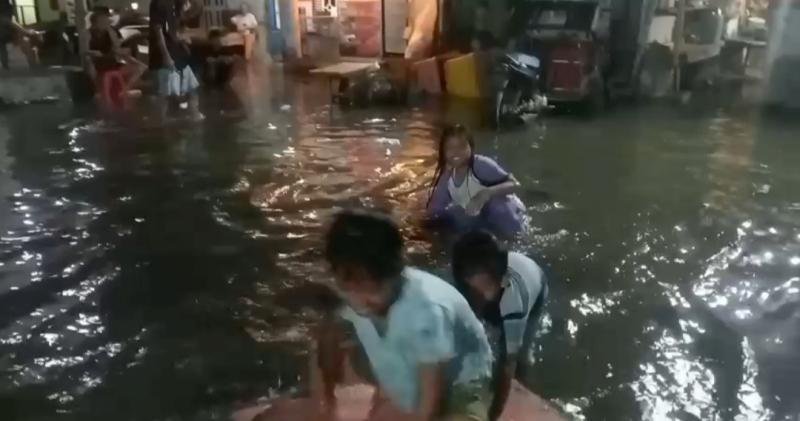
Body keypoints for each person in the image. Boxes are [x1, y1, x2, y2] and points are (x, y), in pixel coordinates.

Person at [312, 209, 495, 421]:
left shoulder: (426, 310)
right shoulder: (348, 291)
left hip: (458, 382)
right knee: (330, 333)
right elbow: (322, 346)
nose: (359, 300)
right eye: (349, 287)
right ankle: (390, 389)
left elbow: (431, 399)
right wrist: (325, 406)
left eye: (371, 289)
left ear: (396, 273)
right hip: (397, 359)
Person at [451, 230, 548, 421]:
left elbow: (507, 363)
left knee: (518, 355)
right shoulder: (466, 280)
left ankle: (522, 391)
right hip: (502, 282)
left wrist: (493, 416)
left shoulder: (515, 305)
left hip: (535, 286)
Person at [426, 124, 526, 238]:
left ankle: (515, 239)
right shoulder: (446, 179)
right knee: (456, 217)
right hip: (480, 215)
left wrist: (486, 193)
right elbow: (435, 212)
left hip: (506, 210)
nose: (456, 152)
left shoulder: (481, 165)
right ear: (443, 152)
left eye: (461, 146)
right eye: (450, 148)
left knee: (498, 208)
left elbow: (515, 184)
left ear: (471, 147)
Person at [148, 0, 203, 121]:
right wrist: (166, 56)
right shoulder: (160, 3)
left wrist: (182, 41)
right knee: (165, 92)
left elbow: (173, 31)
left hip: (176, 52)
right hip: (164, 55)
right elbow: (158, 31)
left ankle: (192, 113)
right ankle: (161, 121)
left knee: (190, 87)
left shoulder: (174, 5)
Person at [86, 8, 146, 97]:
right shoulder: (89, 33)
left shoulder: (111, 31)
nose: (106, 22)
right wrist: (95, 53)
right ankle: (98, 91)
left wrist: (110, 31)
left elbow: (117, 46)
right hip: (98, 62)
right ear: (96, 22)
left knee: (140, 67)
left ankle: (124, 90)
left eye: (106, 20)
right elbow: (85, 50)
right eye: (103, 21)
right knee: (89, 63)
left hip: (112, 61)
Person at [0, 0, 38, 70]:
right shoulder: (5, 16)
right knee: (24, 41)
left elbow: (12, 22)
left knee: (3, 47)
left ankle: (5, 67)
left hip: (6, 33)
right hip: (6, 33)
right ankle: (33, 66)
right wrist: (27, 32)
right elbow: (11, 22)